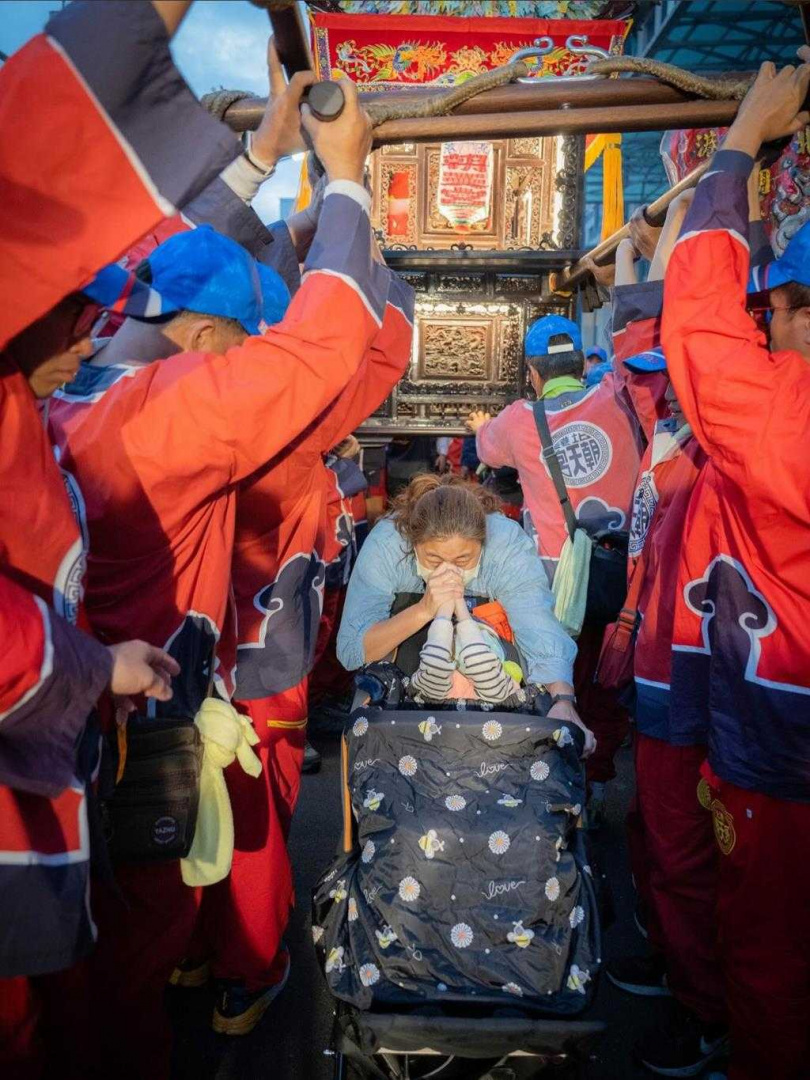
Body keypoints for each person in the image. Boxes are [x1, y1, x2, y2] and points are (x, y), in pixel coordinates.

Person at [46, 70, 407, 1078]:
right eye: (240, 345)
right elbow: (326, 350)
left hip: (67, 711)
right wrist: (348, 182)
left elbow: (163, 266)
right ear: (207, 341)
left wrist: (262, 159)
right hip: (143, 729)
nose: (247, 362)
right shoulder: (171, 412)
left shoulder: (74, 389)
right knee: (130, 957)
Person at [662, 59, 810, 1080]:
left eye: (779, 312)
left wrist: (737, 153)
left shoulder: (781, 418)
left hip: (784, 748)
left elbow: (700, 332)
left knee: (773, 961)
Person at [469, 315, 641, 815]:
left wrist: (480, 427)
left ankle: (556, 785)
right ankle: (597, 780)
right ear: (580, 363)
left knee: (555, 679)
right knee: (610, 680)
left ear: (533, 371)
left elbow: (487, 450)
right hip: (623, 574)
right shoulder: (617, 395)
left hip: (555, 582)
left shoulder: (519, 419)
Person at [337, 475, 593, 748]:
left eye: (463, 559)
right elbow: (352, 650)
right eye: (433, 559)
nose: (449, 571)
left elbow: (538, 628)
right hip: (409, 684)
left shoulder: (505, 543)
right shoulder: (388, 544)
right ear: (413, 543)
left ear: (482, 543)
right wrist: (424, 609)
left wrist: (563, 701)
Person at [409, 592, 521, 704]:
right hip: (483, 641)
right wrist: (459, 604)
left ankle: (450, 609)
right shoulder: (497, 694)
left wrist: (446, 606)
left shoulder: (432, 693)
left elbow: (436, 664)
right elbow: (480, 663)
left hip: (437, 700)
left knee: (434, 671)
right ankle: (456, 611)